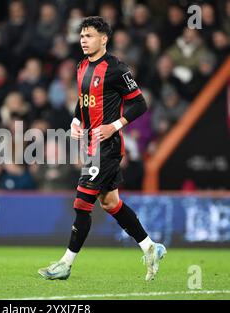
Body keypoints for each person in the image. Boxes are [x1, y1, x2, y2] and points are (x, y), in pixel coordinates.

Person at [38, 16, 166, 282]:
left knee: (82, 202)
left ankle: (65, 264)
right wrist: (75, 120)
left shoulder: (116, 68)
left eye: (89, 35)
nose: (83, 40)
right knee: (110, 203)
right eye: (82, 35)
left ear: (103, 39)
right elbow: (83, 102)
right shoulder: (82, 66)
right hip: (91, 145)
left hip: (107, 147)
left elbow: (140, 103)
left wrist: (115, 126)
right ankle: (150, 247)